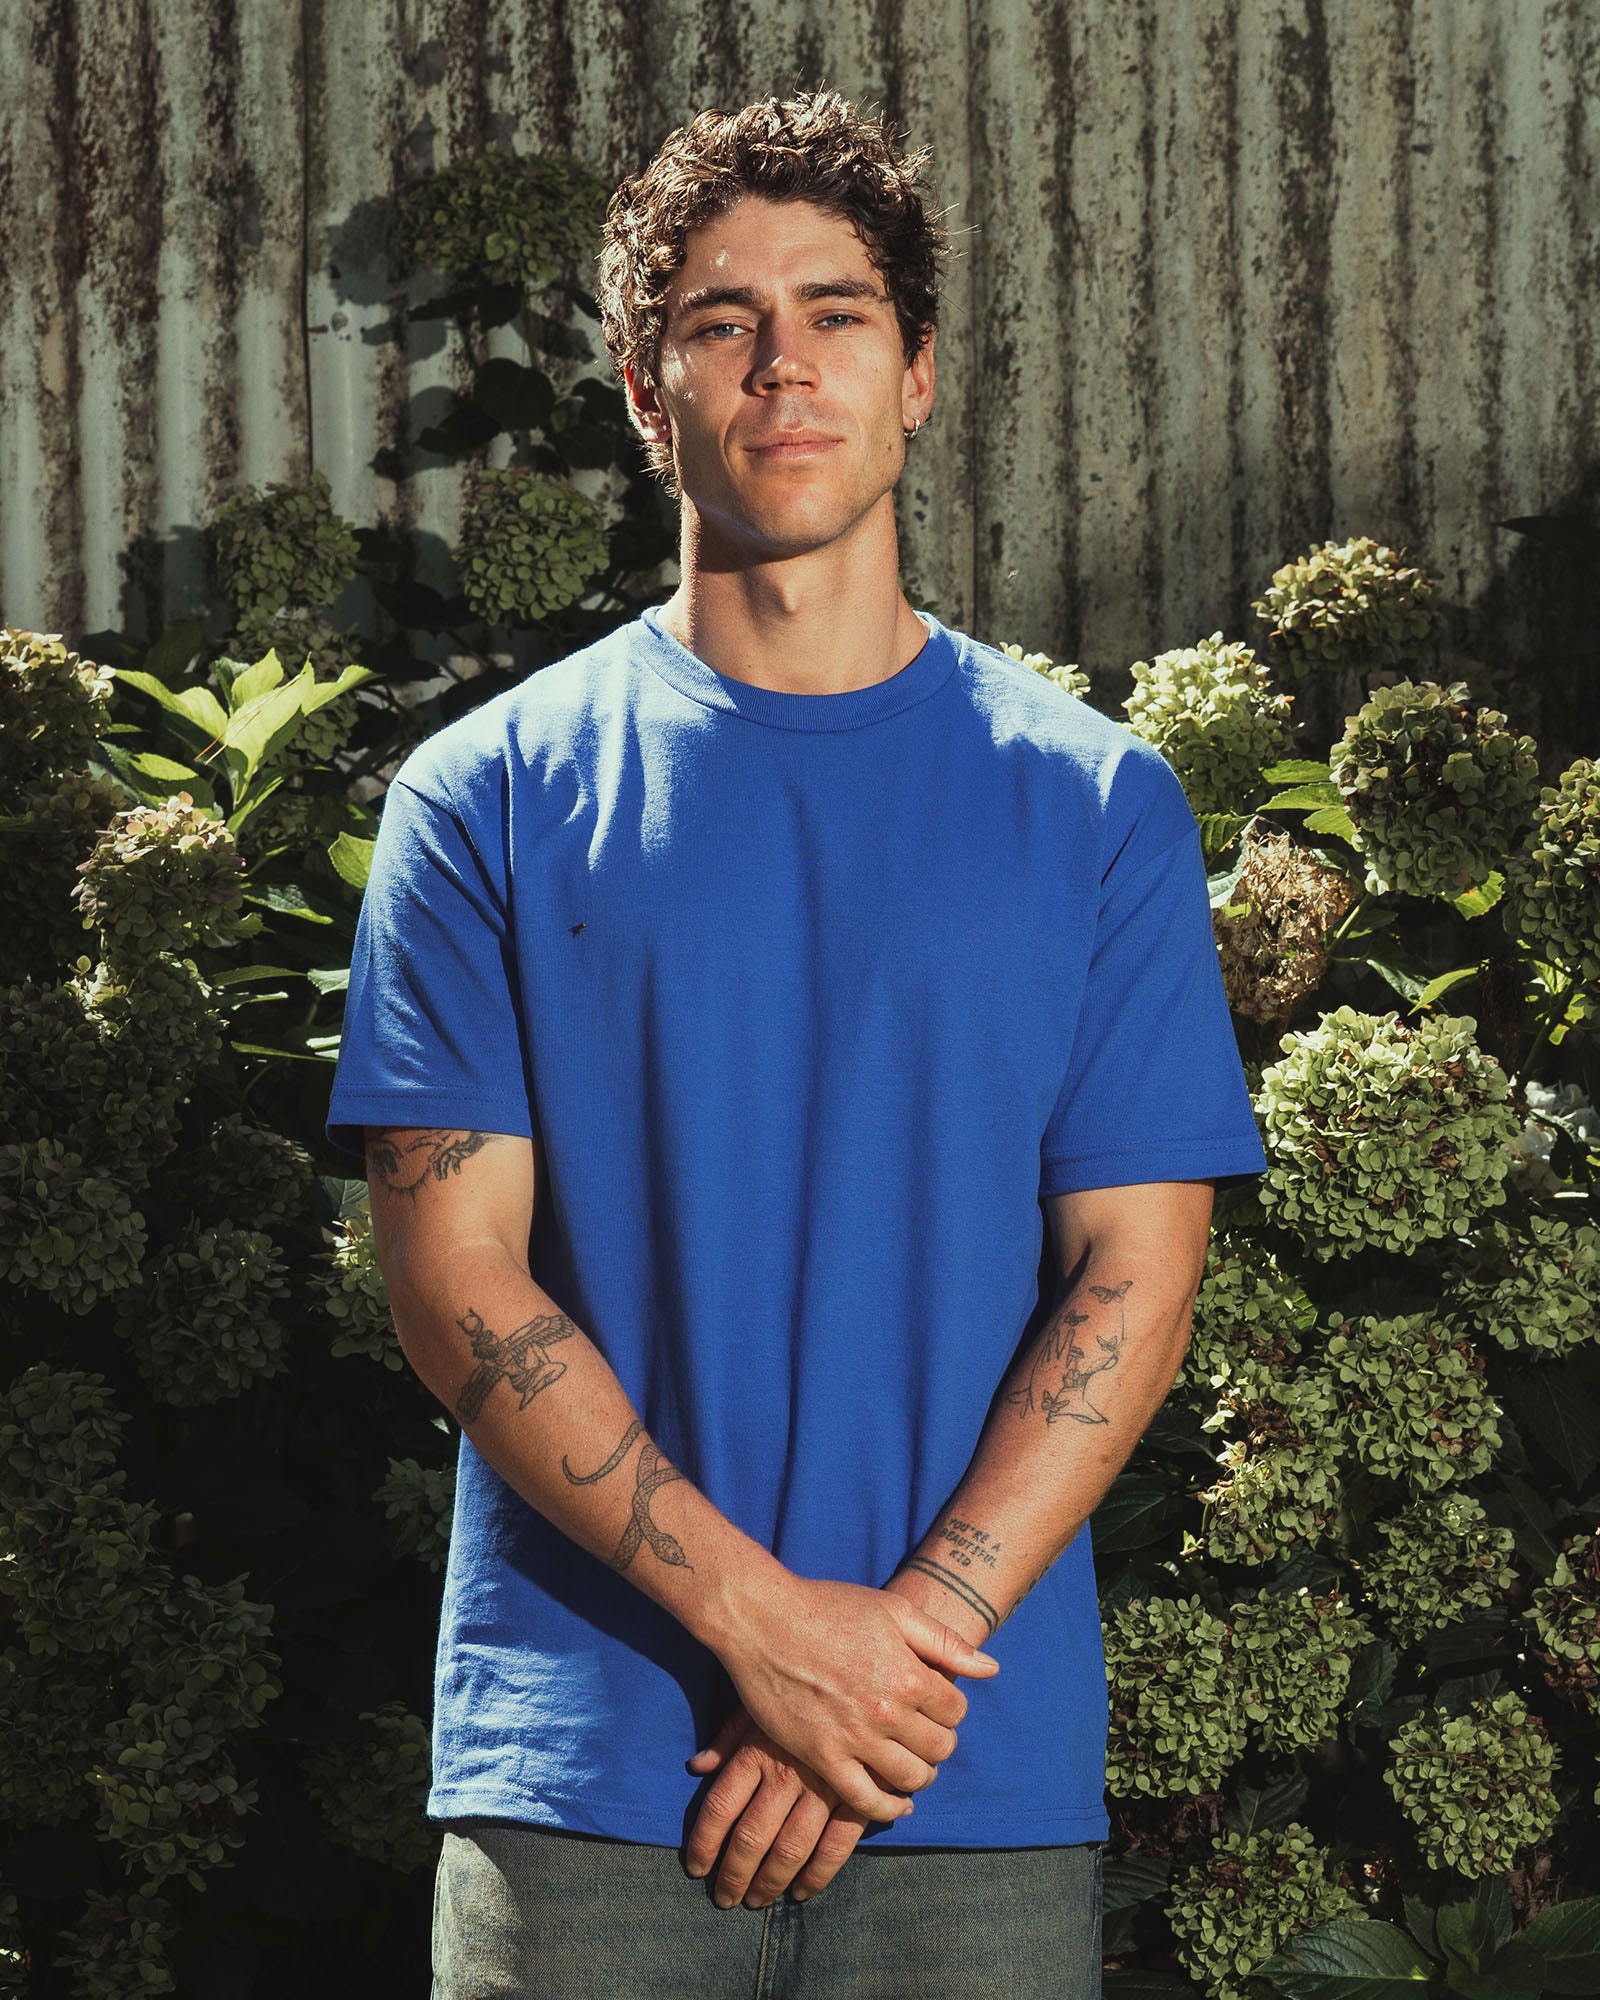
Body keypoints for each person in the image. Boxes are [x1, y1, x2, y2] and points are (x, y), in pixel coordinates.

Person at [326, 88, 1268, 2000]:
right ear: (644, 388)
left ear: (916, 375)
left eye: (836, 313)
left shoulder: (1094, 806)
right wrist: (767, 1633)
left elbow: (1135, 1274)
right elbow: (452, 1282)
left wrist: (893, 1647)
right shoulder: (486, 799)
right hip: (590, 1770)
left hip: (960, 1754)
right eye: (720, 320)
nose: (784, 364)